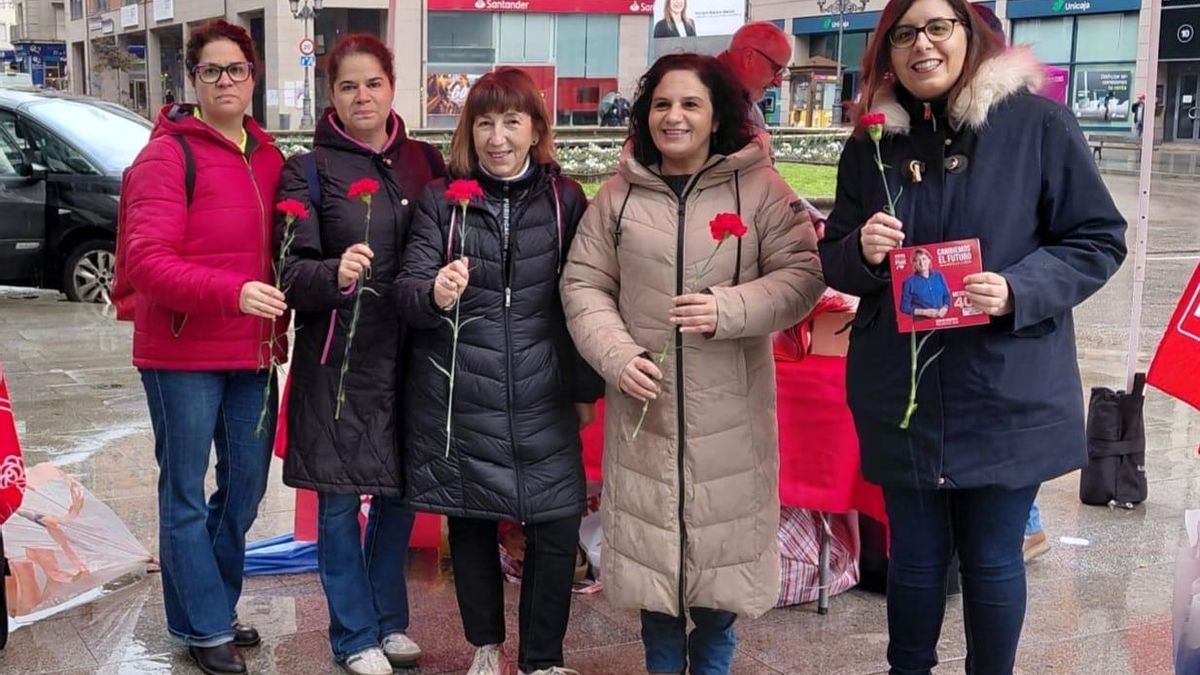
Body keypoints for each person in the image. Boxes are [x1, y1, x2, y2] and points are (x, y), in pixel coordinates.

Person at [818, 0, 1127, 670]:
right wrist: (862, 252)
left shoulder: (1038, 125)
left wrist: (1019, 287)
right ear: (886, 52)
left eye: (937, 27)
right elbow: (833, 252)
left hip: (1005, 388)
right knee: (917, 557)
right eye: (903, 34)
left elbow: (1098, 239)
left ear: (971, 36)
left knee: (992, 557)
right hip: (902, 391)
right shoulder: (872, 143)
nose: (920, 45)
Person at [561, 53, 825, 675]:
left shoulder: (761, 188)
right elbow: (583, 285)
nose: (673, 117)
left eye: (690, 104)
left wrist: (728, 308)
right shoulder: (620, 195)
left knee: (717, 594)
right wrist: (617, 355)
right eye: (661, 104)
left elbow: (803, 276)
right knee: (655, 588)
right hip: (644, 418)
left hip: (729, 423)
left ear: (716, 116)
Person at [396, 66, 603, 675]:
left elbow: (587, 298)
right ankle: (485, 645)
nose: (497, 137)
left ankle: (543, 658)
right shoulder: (442, 201)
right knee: (472, 521)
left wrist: (585, 389)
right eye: (484, 122)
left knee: (557, 523)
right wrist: (435, 293)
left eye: (512, 121)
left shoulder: (565, 200)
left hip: (544, 388)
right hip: (462, 393)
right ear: (469, 129)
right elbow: (407, 293)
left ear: (535, 127)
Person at [117, 19, 287, 675]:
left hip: (252, 353)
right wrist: (233, 291)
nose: (224, 81)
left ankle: (208, 602)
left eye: (235, 69)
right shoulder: (166, 156)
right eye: (211, 70)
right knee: (186, 492)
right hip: (181, 354)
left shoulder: (269, 156)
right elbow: (146, 262)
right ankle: (205, 620)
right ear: (193, 79)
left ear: (254, 76)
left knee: (243, 490)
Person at [274, 34, 445, 675]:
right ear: (332, 96)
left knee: (400, 492)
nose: (362, 96)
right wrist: (335, 274)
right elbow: (289, 272)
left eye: (372, 83)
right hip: (340, 359)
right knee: (341, 498)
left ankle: (386, 619)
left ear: (392, 86)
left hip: (413, 353)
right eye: (348, 86)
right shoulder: (309, 170)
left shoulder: (426, 162)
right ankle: (352, 634)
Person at [717, 23, 826, 234]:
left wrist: (809, 216)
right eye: (776, 69)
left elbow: (765, 175)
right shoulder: (705, 93)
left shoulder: (745, 103)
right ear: (749, 57)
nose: (777, 82)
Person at [899, 248, 950, 318]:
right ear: (914, 264)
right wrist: (924, 312)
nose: (922, 263)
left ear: (929, 260)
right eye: (917, 260)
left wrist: (945, 308)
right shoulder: (909, 282)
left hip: (942, 320)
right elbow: (904, 307)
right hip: (922, 323)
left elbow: (947, 296)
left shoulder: (939, 276)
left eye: (924, 259)